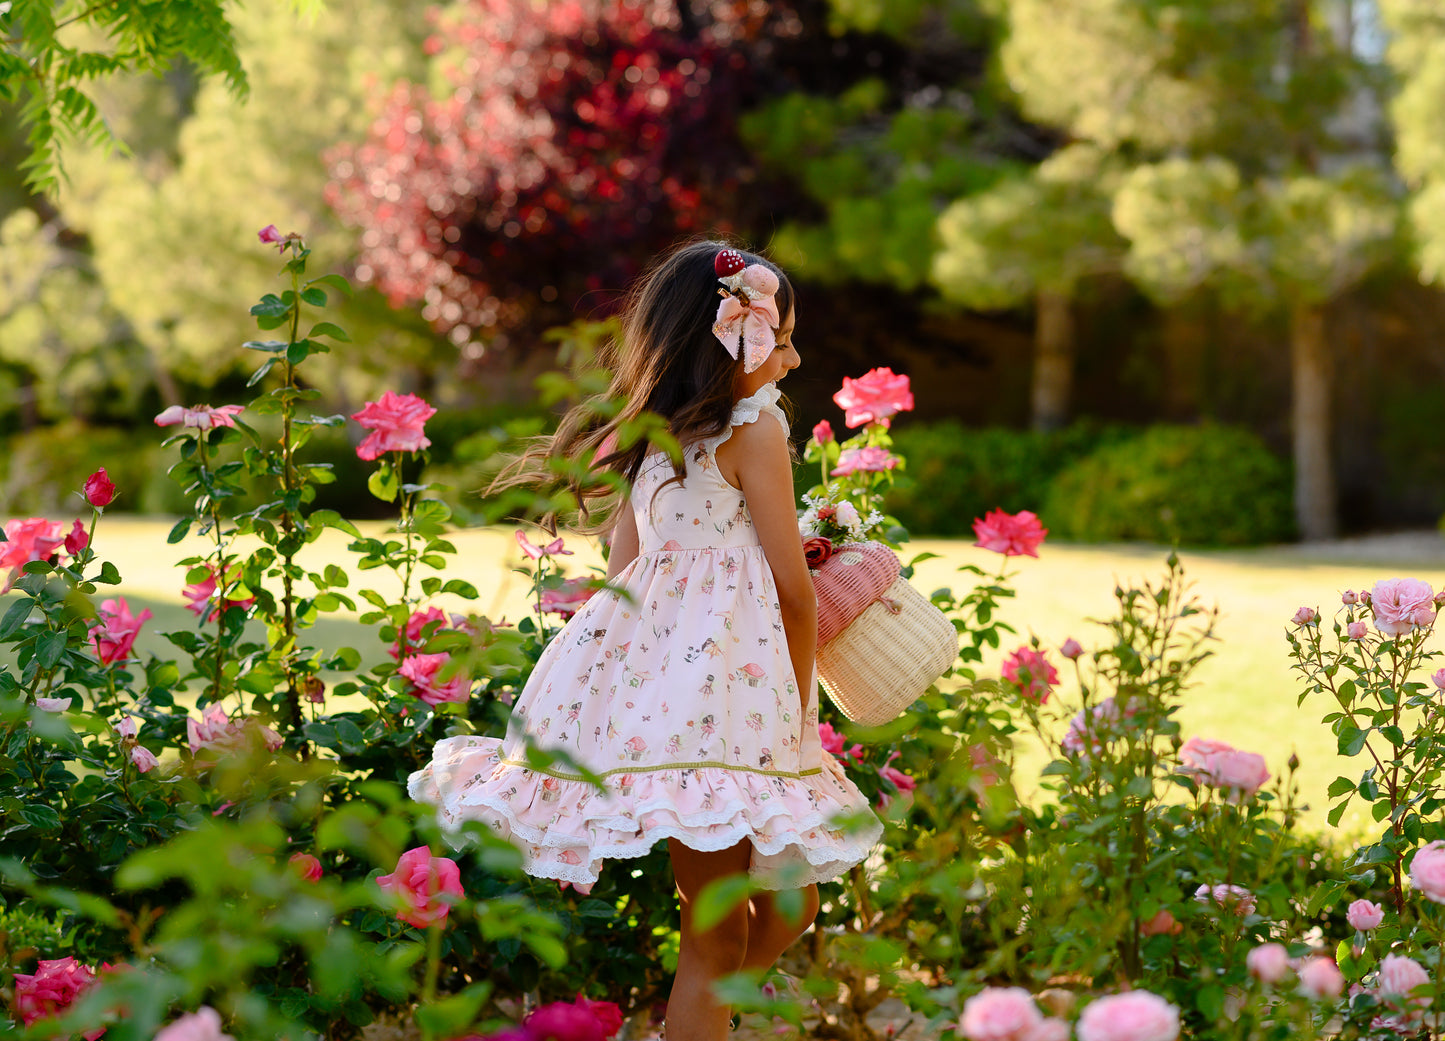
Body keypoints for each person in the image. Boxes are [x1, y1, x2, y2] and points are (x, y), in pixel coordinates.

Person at [408, 240, 883, 1040]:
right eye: (785, 338)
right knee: (722, 931)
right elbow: (792, 595)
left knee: (765, 913)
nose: (794, 358)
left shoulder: (653, 439)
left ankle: (700, 1014)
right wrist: (797, 710)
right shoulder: (754, 432)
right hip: (730, 707)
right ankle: (699, 1017)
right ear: (738, 341)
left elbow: (623, 573)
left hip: (669, 700)